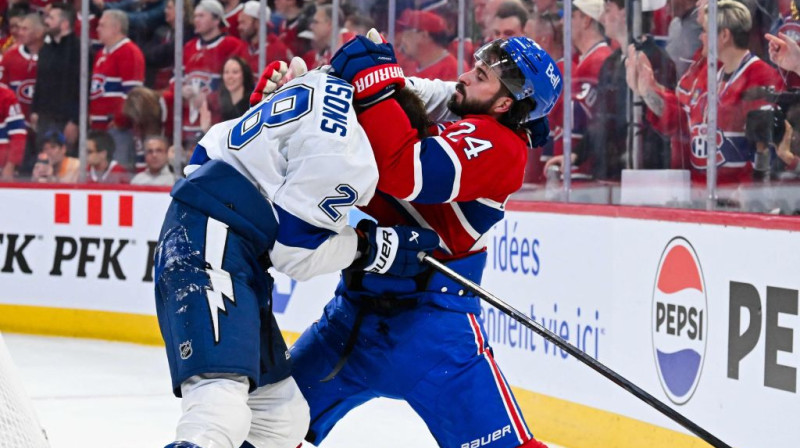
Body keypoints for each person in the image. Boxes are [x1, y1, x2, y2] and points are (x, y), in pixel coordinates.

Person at [289, 33, 559, 448]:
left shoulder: (501, 145)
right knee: (260, 424)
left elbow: (404, 170)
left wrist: (373, 80)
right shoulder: (456, 110)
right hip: (351, 318)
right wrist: (294, 102)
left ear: (505, 104)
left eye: (481, 76)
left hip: (432, 335)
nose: (464, 77)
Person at [155, 57, 439, 448]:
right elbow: (294, 254)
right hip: (211, 246)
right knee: (219, 411)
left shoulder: (322, 83)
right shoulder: (349, 152)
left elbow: (204, 153)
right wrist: (371, 248)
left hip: (223, 241)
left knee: (280, 419)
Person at [31, 3, 80, 147]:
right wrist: (35, 110)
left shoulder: (78, 50)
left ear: (64, 24)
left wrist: (75, 121)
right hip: (45, 117)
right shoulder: (46, 49)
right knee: (43, 159)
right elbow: (40, 81)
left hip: (66, 119)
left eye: (51, 18)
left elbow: (81, 87)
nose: (46, 21)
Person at [90, 10, 145, 130]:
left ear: (116, 28)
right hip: (98, 124)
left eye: (102, 25)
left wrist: (121, 120)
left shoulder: (129, 52)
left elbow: (133, 92)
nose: (97, 29)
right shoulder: (100, 53)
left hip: (116, 127)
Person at [200, 56, 255, 132]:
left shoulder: (253, 104)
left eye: (235, 72)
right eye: (226, 72)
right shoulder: (217, 104)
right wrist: (206, 130)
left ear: (244, 75)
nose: (230, 77)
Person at [237, 1, 292, 75]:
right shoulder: (243, 47)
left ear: (258, 23)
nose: (239, 27)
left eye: (243, 22)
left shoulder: (278, 50)